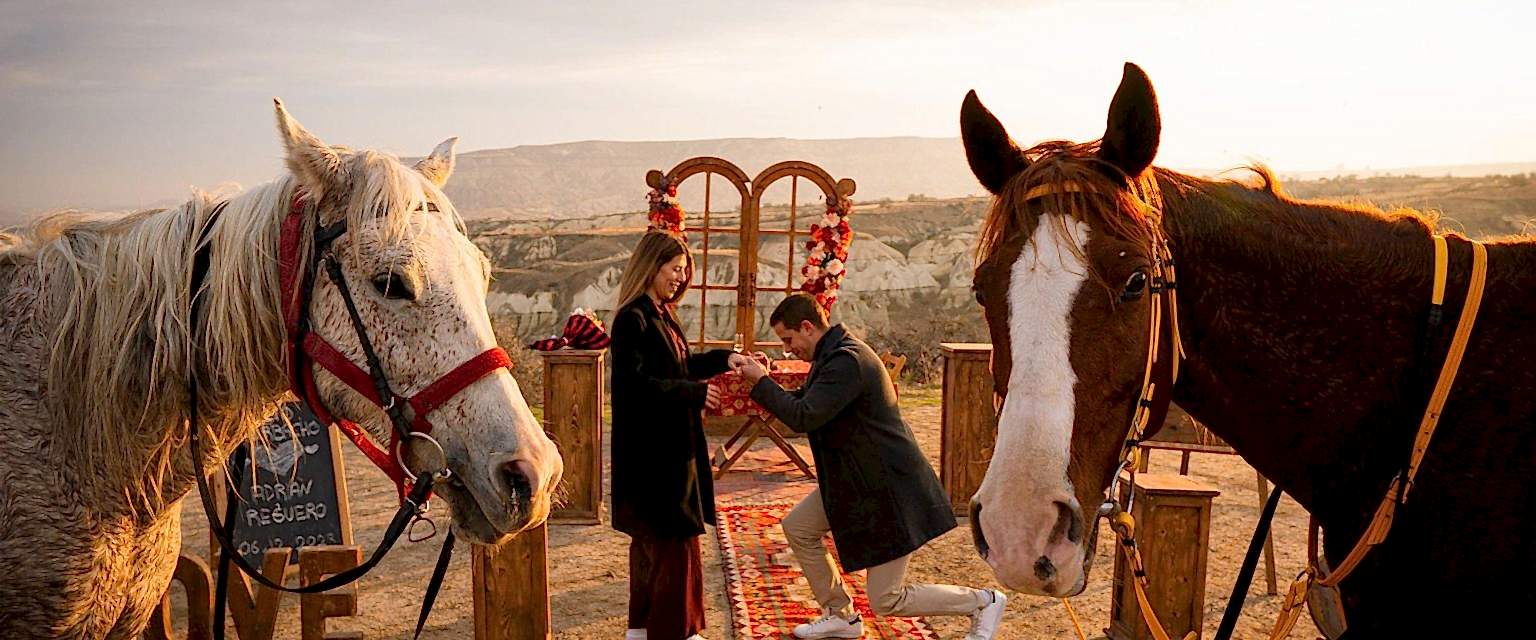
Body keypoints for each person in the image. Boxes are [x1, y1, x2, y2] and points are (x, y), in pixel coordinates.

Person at [733, 293, 1008, 640]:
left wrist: (761, 382)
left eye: (788, 340)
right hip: (856, 483)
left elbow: (803, 416)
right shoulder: (832, 355)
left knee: (886, 599)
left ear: (807, 327)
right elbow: (806, 399)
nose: (788, 350)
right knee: (799, 527)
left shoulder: (847, 361)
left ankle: (982, 602)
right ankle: (840, 615)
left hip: (890, 491)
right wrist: (764, 379)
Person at [608, 230, 752, 640]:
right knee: (673, 541)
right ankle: (678, 633)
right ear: (652, 266)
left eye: (684, 270)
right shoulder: (633, 319)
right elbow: (633, 386)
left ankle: (641, 630)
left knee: (656, 544)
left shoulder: (660, 313)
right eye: (675, 268)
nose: (681, 277)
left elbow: (680, 365)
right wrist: (695, 393)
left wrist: (726, 358)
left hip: (670, 444)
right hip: (653, 452)